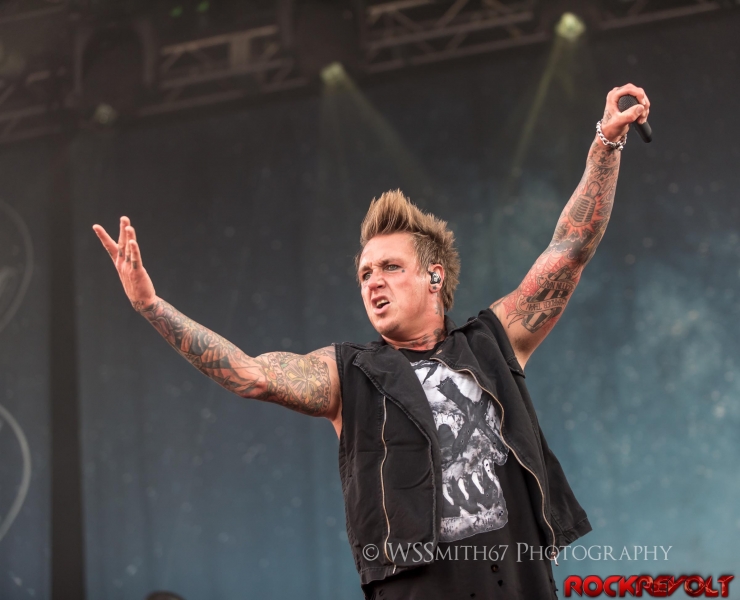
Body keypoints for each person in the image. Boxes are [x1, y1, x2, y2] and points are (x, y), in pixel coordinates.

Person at [93, 84, 650, 599]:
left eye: (390, 267)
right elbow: (250, 374)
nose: (373, 281)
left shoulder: (492, 343)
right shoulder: (350, 374)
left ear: (434, 277)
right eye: (364, 273)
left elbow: (569, 247)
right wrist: (152, 307)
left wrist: (605, 144)